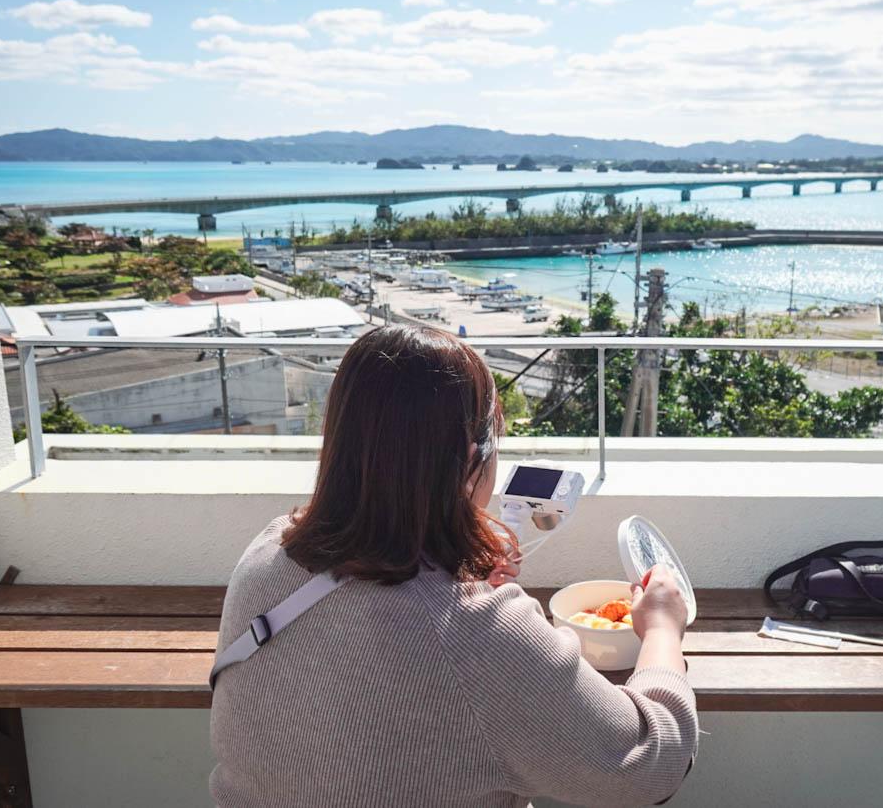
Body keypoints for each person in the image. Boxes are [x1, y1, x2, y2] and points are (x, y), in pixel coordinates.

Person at [210, 325, 698, 807]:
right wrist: (661, 627)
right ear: (470, 462)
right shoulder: (479, 631)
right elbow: (650, 768)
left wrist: (462, 581)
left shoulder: (269, 550)